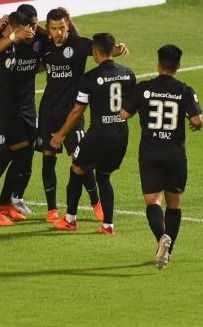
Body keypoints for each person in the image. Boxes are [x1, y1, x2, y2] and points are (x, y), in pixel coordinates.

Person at [37, 8, 126, 223]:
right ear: (48, 28)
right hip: (48, 111)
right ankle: (52, 210)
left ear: (68, 25)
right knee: (48, 159)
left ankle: (96, 203)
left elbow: (102, 51)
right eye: (54, 28)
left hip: (72, 113)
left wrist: (117, 49)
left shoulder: (78, 44)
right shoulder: (45, 46)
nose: (58, 33)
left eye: (62, 27)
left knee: (81, 161)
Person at [121, 44, 203, 269]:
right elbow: (197, 120)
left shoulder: (144, 88)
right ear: (178, 66)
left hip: (150, 152)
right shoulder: (185, 90)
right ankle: (167, 250)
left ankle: (161, 238)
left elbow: (124, 114)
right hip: (175, 153)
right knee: (174, 204)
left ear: (158, 64)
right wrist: (195, 124)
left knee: (153, 201)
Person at [50, 33, 135, 234]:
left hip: (98, 136)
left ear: (95, 52)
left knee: (77, 169)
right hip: (121, 136)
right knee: (104, 177)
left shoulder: (89, 78)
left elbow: (77, 111)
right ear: (112, 50)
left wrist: (61, 134)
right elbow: (133, 106)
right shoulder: (128, 74)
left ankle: (70, 220)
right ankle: (108, 225)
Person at [0, 10, 38, 226]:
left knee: (23, 151)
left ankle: (4, 203)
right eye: (24, 29)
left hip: (10, 111)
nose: (28, 32)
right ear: (13, 27)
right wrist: (10, 35)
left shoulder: (14, 44)